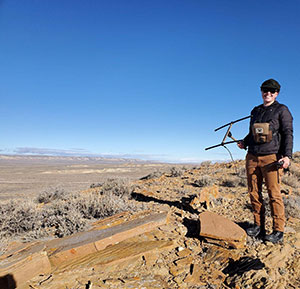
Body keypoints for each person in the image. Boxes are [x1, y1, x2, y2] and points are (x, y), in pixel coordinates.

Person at [238, 79, 293, 243]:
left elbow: (288, 133)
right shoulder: (255, 111)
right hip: (252, 157)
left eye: (272, 91)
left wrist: (287, 156)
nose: (267, 93)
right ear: (261, 91)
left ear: (277, 94)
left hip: (272, 158)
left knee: (274, 194)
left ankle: (278, 231)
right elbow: (252, 133)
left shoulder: (282, 110)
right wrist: (244, 142)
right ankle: (258, 225)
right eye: (265, 90)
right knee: (253, 192)